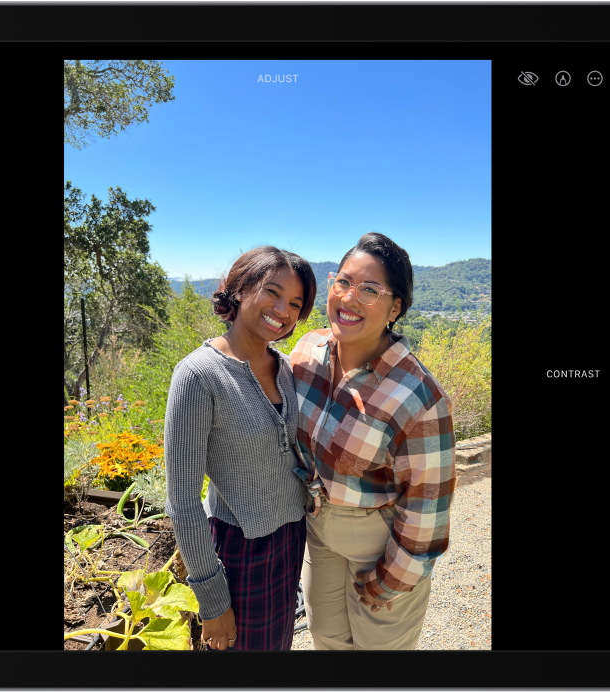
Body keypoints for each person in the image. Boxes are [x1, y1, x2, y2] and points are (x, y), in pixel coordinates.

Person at [290, 232, 456, 650]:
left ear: (394, 307)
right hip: (318, 529)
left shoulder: (417, 395)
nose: (349, 298)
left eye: (370, 290)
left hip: (378, 539)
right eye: (343, 282)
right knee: (326, 636)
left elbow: (426, 507)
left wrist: (389, 581)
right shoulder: (308, 353)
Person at [165, 246, 317, 651]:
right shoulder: (198, 375)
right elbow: (181, 501)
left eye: (295, 304)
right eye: (272, 292)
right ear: (239, 288)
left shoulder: (284, 367)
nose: (283, 310)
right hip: (239, 551)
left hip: (290, 541)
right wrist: (212, 601)